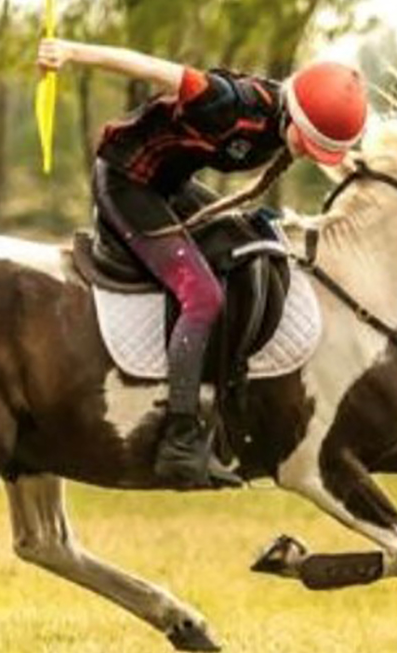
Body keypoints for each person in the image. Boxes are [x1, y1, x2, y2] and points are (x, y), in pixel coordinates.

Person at [36, 37, 368, 490]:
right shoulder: (229, 102)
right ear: (293, 112)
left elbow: (339, 157)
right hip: (126, 181)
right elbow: (150, 64)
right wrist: (71, 53)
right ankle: (179, 439)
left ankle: (226, 418)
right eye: (308, 144)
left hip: (167, 186)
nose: (309, 154)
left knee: (251, 246)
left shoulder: (290, 123)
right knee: (203, 295)